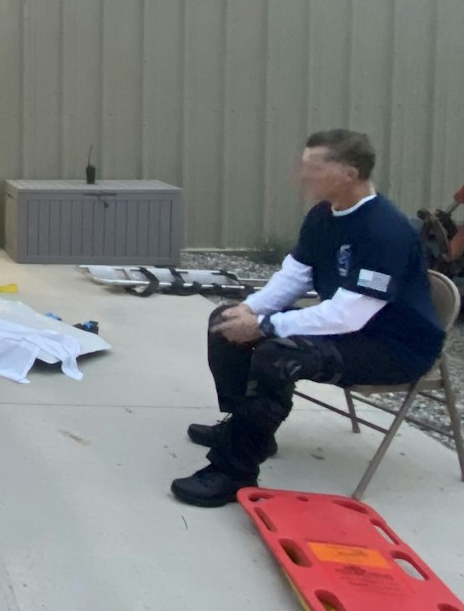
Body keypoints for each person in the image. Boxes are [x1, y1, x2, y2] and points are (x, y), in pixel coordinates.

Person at [172, 129, 447, 508]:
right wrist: (253, 309)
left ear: (349, 174)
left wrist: (267, 326)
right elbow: (295, 275)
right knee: (226, 323)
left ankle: (234, 471)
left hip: (392, 346)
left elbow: (351, 313)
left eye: (311, 169)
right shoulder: (324, 215)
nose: (298, 178)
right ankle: (247, 427)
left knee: (276, 354)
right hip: (350, 331)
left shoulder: (386, 230)